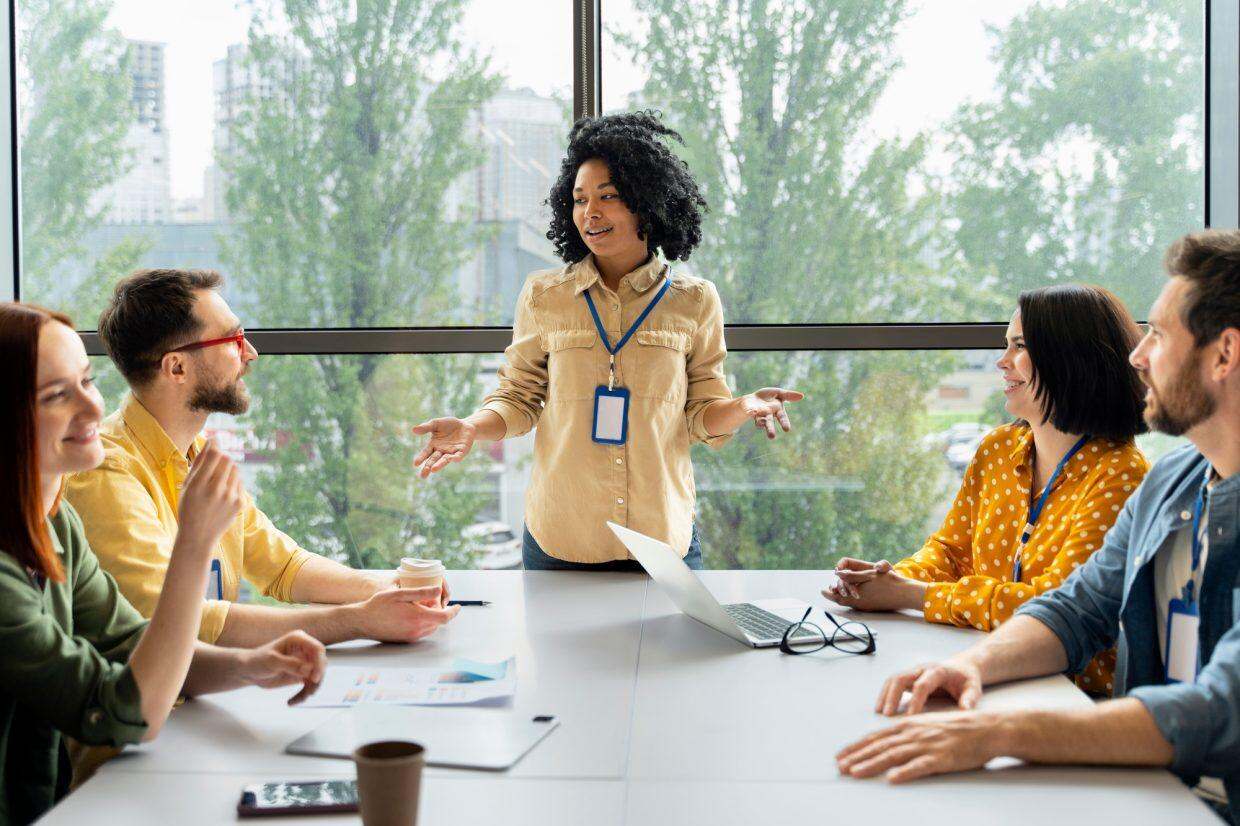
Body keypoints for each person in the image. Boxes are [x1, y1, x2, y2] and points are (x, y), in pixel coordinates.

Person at [835, 230, 1240, 824]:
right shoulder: (1170, 485)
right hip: (1158, 795)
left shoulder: (1124, 472)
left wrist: (1003, 732)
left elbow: (1219, 708)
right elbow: (1074, 611)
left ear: (1224, 354)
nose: (1138, 355)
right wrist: (970, 666)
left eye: (1157, 333)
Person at [412, 111, 803, 570]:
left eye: (608, 197)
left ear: (646, 201)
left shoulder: (695, 301)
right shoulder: (544, 295)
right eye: (579, 200)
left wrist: (743, 407)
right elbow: (519, 398)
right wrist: (473, 427)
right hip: (562, 540)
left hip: (662, 541)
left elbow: (701, 416)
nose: (589, 213)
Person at [0, 302, 327, 825]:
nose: (91, 409)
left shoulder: (56, 525)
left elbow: (134, 643)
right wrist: (195, 545)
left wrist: (250, 665)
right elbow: (125, 713)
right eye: (57, 395)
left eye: (86, 380)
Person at [65, 269, 458, 647]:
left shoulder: (196, 456)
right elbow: (174, 621)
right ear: (177, 366)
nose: (250, 353)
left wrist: (389, 589)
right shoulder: (106, 474)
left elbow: (283, 566)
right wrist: (357, 621)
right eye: (233, 340)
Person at [825, 284, 1149, 694]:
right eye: (1005, 345)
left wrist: (912, 595)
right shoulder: (998, 448)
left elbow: (1051, 609)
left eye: (1019, 346)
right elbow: (950, 552)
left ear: (1068, 358)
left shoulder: (1121, 473)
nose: (1002, 361)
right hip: (981, 662)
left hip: (1069, 693)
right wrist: (885, 581)